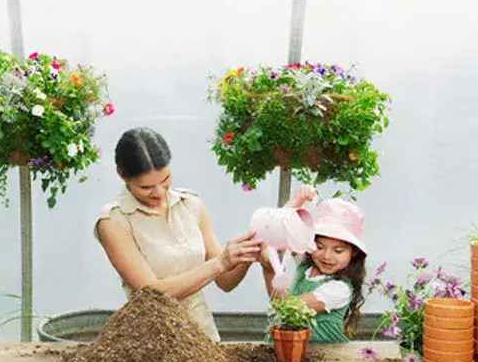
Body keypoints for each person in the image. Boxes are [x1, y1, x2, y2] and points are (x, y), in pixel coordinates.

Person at [94, 127, 261, 341]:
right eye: (146, 187)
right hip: (151, 343)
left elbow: (225, 282)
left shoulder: (191, 205)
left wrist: (247, 254)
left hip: (203, 338)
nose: (159, 193)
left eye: (165, 180)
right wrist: (219, 263)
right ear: (121, 175)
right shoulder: (114, 221)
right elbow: (153, 294)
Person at [260, 185, 367, 343]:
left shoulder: (339, 289)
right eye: (319, 247)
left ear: (354, 253)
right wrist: (297, 201)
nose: (327, 256)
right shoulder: (306, 264)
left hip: (324, 356)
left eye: (338, 250)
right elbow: (276, 229)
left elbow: (286, 307)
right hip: (290, 348)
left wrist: (269, 270)